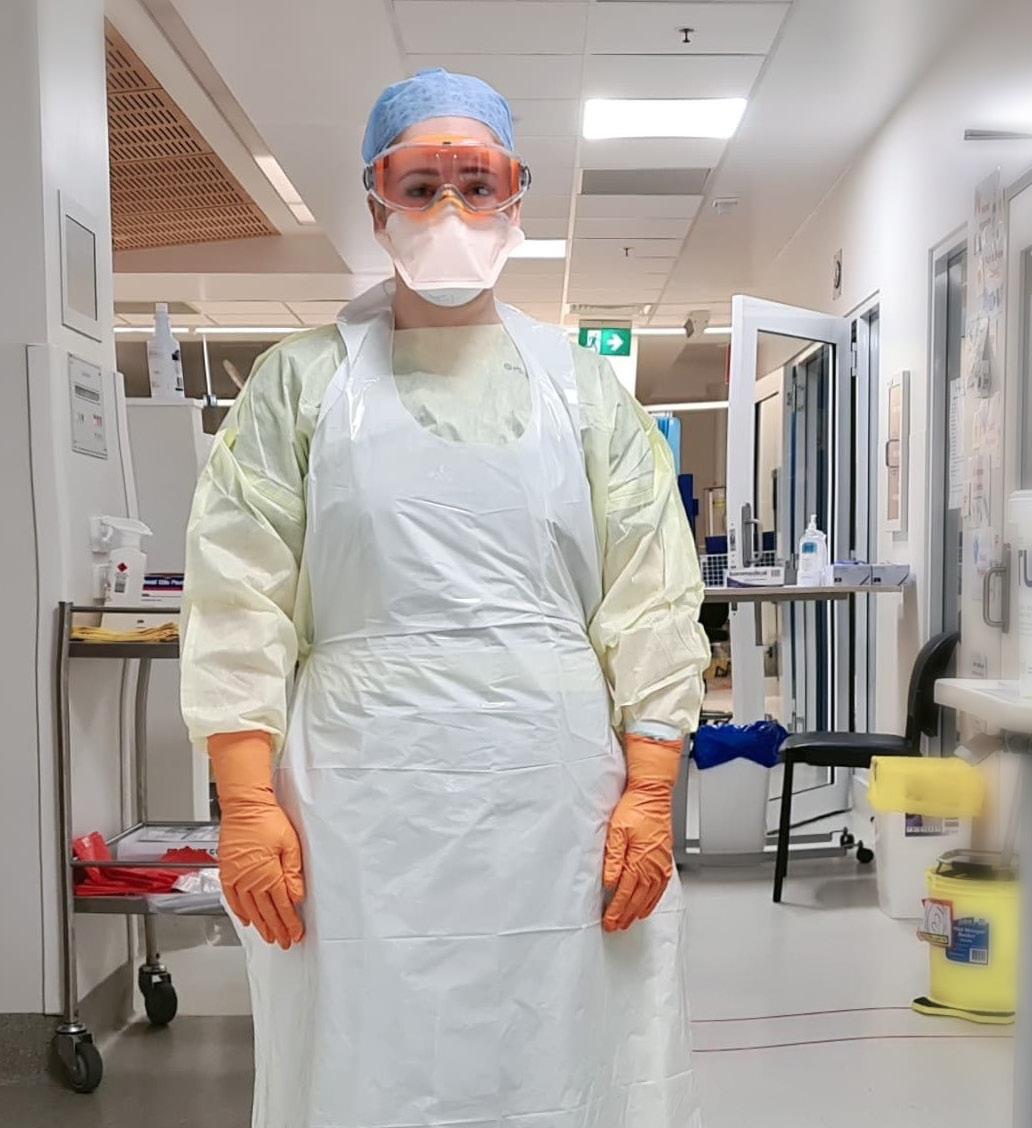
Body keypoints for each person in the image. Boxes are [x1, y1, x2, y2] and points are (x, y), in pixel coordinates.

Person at [180, 68, 710, 1128]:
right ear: (376, 202)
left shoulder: (582, 391)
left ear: (516, 196)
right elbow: (237, 600)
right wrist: (246, 804)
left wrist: (651, 793)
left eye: (477, 185)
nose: (451, 213)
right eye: (420, 188)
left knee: (560, 1050)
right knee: (366, 1056)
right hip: (358, 805)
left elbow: (652, 596)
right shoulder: (300, 385)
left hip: (555, 803)